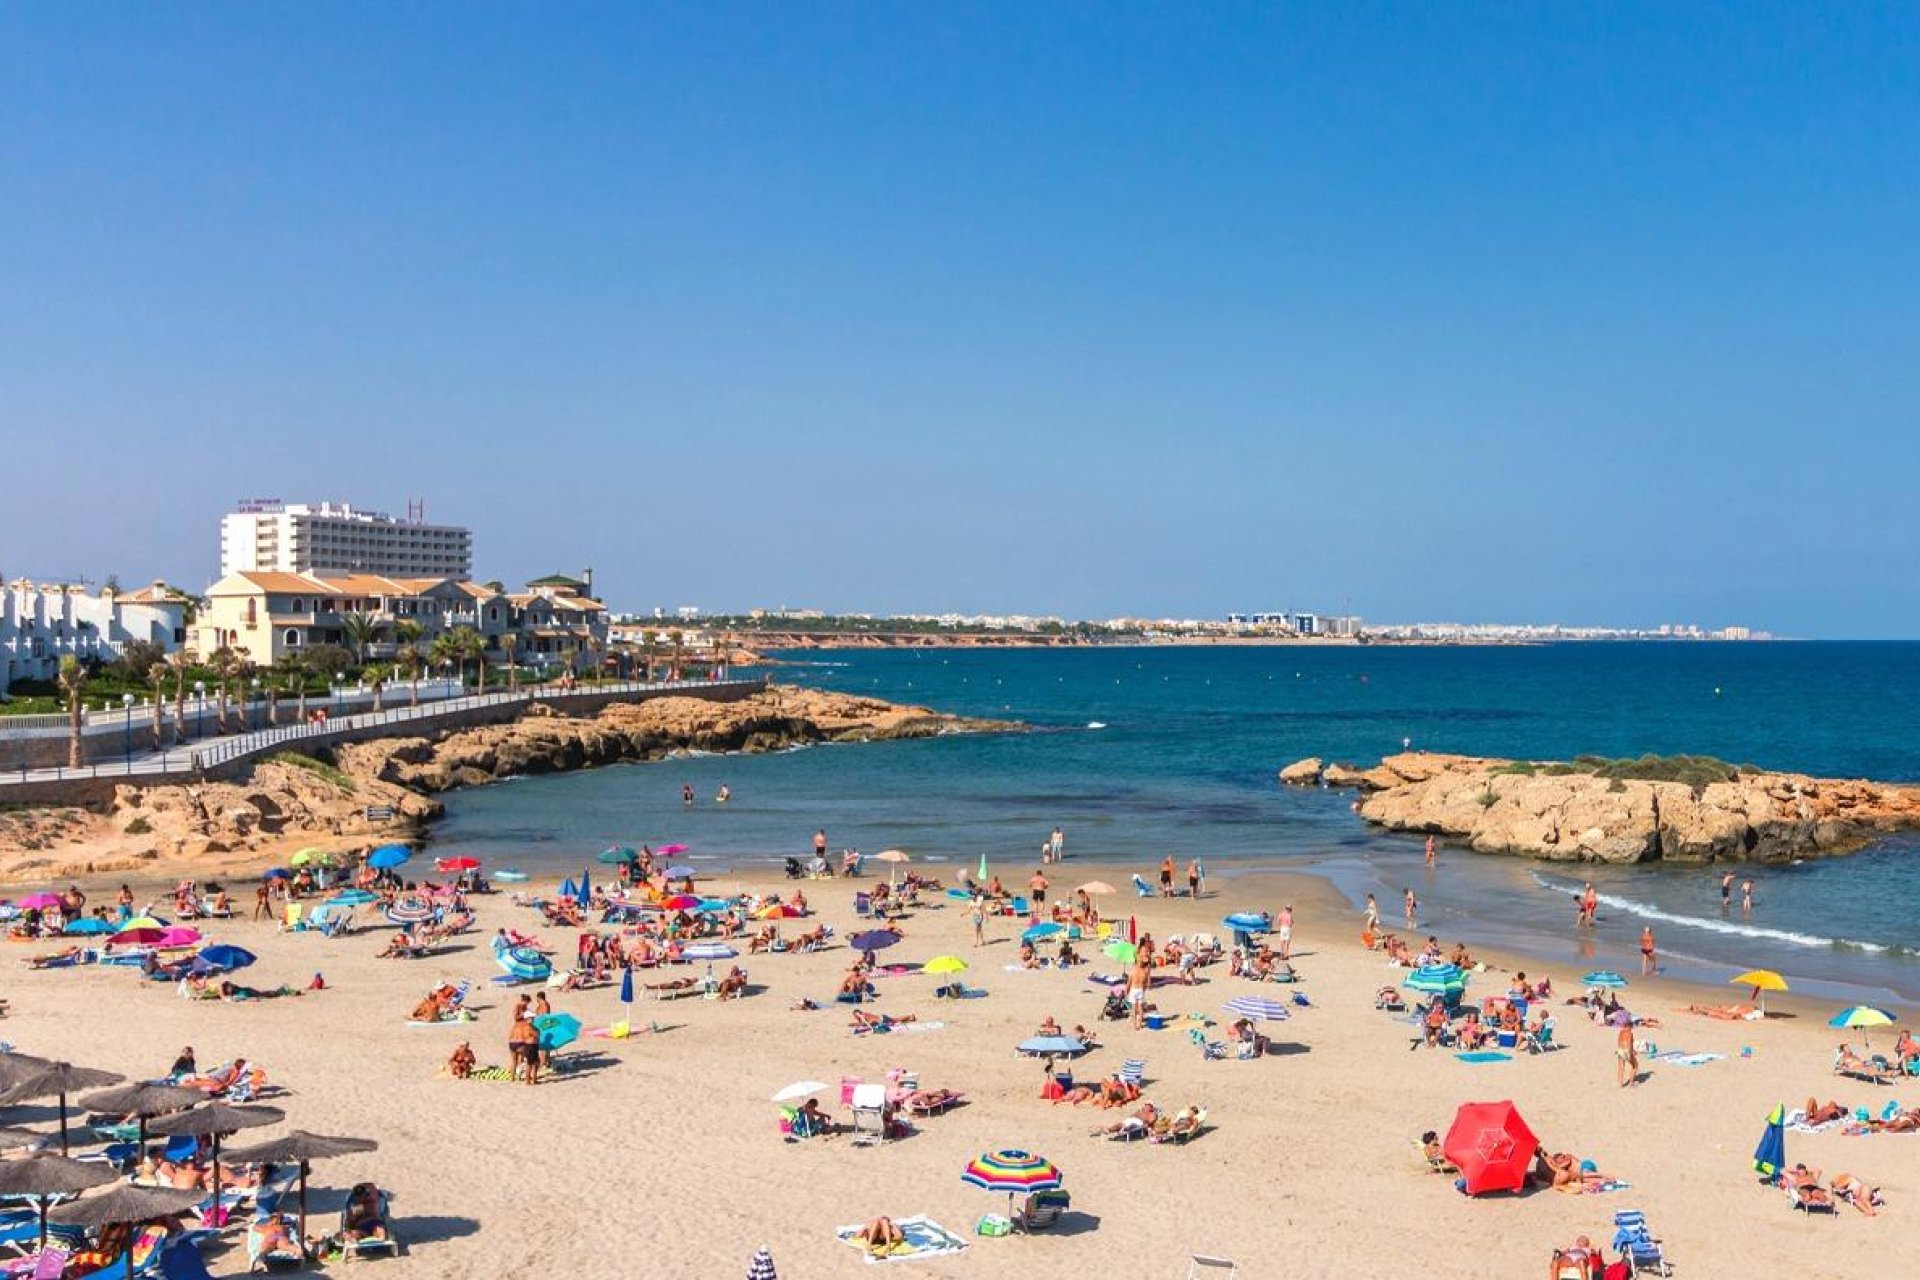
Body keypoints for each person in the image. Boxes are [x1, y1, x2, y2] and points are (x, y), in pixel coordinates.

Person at [508, 1013, 541, 1085]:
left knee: (535, 1063)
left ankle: (513, 1078)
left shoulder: (518, 1025)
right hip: (529, 1045)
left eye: (533, 1018)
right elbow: (536, 1035)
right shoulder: (527, 1026)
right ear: (527, 1019)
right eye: (531, 1018)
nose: (533, 1019)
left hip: (514, 1043)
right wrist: (537, 1031)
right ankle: (527, 1081)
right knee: (529, 1064)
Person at [1616, 1022, 1639, 1088]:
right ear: (1630, 1026)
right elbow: (1629, 1044)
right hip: (1627, 1051)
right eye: (1631, 1027)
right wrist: (1631, 1053)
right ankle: (1631, 1083)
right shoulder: (1630, 1033)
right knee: (1635, 1065)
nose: (1632, 1029)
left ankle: (1620, 1084)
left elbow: (1619, 1042)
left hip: (1620, 1050)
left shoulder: (1621, 1032)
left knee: (1621, 1067)